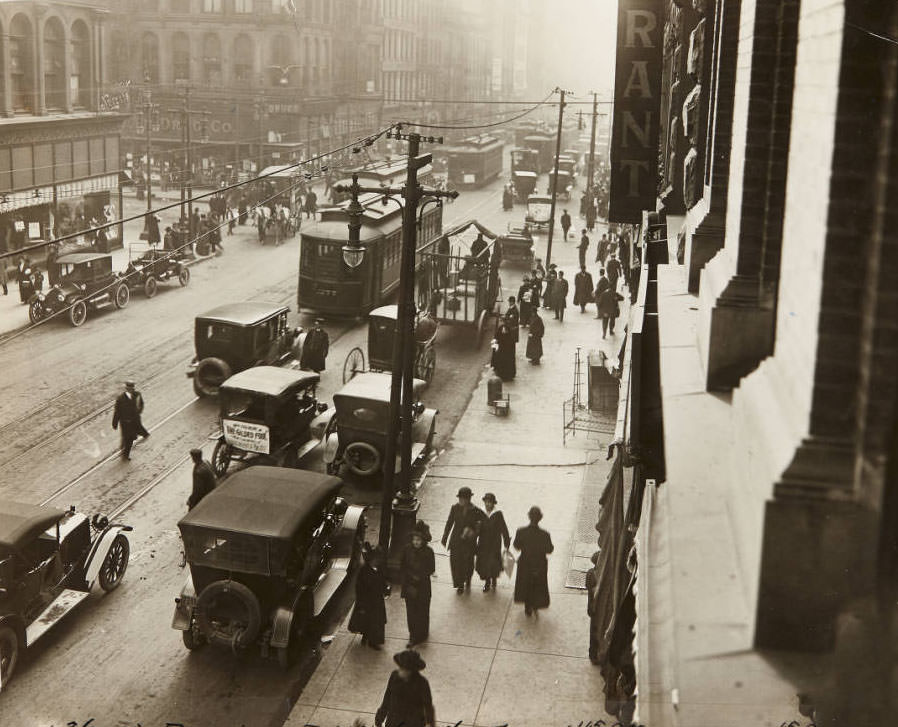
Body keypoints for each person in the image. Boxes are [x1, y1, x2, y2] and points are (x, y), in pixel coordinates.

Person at [375, 649, 435, 727]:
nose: (400, 670)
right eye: (400, 667)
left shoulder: (422, 683)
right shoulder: (394, 677)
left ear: (411, 671)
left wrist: (430, 723)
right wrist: (380, 717)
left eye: (403, 668)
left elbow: (428, 706)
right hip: (393, 721)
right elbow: (387, 698)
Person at [441, 486, 485, 593]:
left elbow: (483, 526)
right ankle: (460, 584)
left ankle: (468, 579)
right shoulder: (455, 508)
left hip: (469, 542)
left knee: (468, 563)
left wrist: (473, 532)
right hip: (456, 540)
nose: (461, 500)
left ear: (469, 499)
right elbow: (449, 522)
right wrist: (445, 537)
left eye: (464, 498)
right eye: (460, 498)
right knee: (455, 562)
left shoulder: (476, 511)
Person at [513, 505, 554, 616]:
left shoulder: (521, 531)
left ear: (529, 517)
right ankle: (536, 603)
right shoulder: (545, 534)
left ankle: (527, 606)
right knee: (537, 584)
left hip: (525, 562)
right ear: (540, 518)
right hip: (539, 563)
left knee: (526, 584)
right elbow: (550, 549)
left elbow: (516, 546)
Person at [400, 521, 435, 647]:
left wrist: (419, 576)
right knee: (411, 612)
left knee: (423, 611)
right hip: (409, 586)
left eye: (419, 540)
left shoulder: (429, 552)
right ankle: (413, 635)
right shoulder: (407, 550)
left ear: (423, 541)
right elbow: (402, 566)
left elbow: (431, 569)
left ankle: (422, 633)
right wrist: (409, 578)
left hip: (423, 586)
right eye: (414, 539)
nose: (416, 542)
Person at [348, 543, 389, 649]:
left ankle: (373, 640)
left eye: (379, 559)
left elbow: (383, 581)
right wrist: (361, 602)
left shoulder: (379, 570)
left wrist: (386, 589)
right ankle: (368, 637)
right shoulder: (364, 571)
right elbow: (359, 588)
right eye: (376, 559)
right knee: (367, 619)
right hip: (367, 600)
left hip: (377, 600)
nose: (378, 561)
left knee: (376, 621)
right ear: (371, 559)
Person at [476, 493, 510, 591]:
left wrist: (506, 542)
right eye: (486, 502)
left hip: (495, 543)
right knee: (485, 563)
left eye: (490, 502)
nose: (488, 504)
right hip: (483, 543)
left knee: (493, 563)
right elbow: (476, 528)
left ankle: (493, 578)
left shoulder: (498, 514)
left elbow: (504, 529)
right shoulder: (480, 512)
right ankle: (487, 582)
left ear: (493, 503)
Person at [111, 380, 149, 460]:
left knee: (130, 438)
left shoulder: (137, 395)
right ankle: (125, 455)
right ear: (126, 389)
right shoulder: (120, 399)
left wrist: (139, 411)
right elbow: (117, 412)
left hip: (135, 421)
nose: (131, 390)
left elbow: (141, 404)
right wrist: (115, 423)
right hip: (126, 423)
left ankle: (124, 447)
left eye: (132, 388)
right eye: (129, 388)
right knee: (128, 439)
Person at [586, 550, 600, 664]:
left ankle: (592, 654)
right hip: (599, 606)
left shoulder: (590, 573)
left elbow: (587, 587)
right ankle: (596, 654)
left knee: (593, 630)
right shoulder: (603, 575)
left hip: (592, 606)